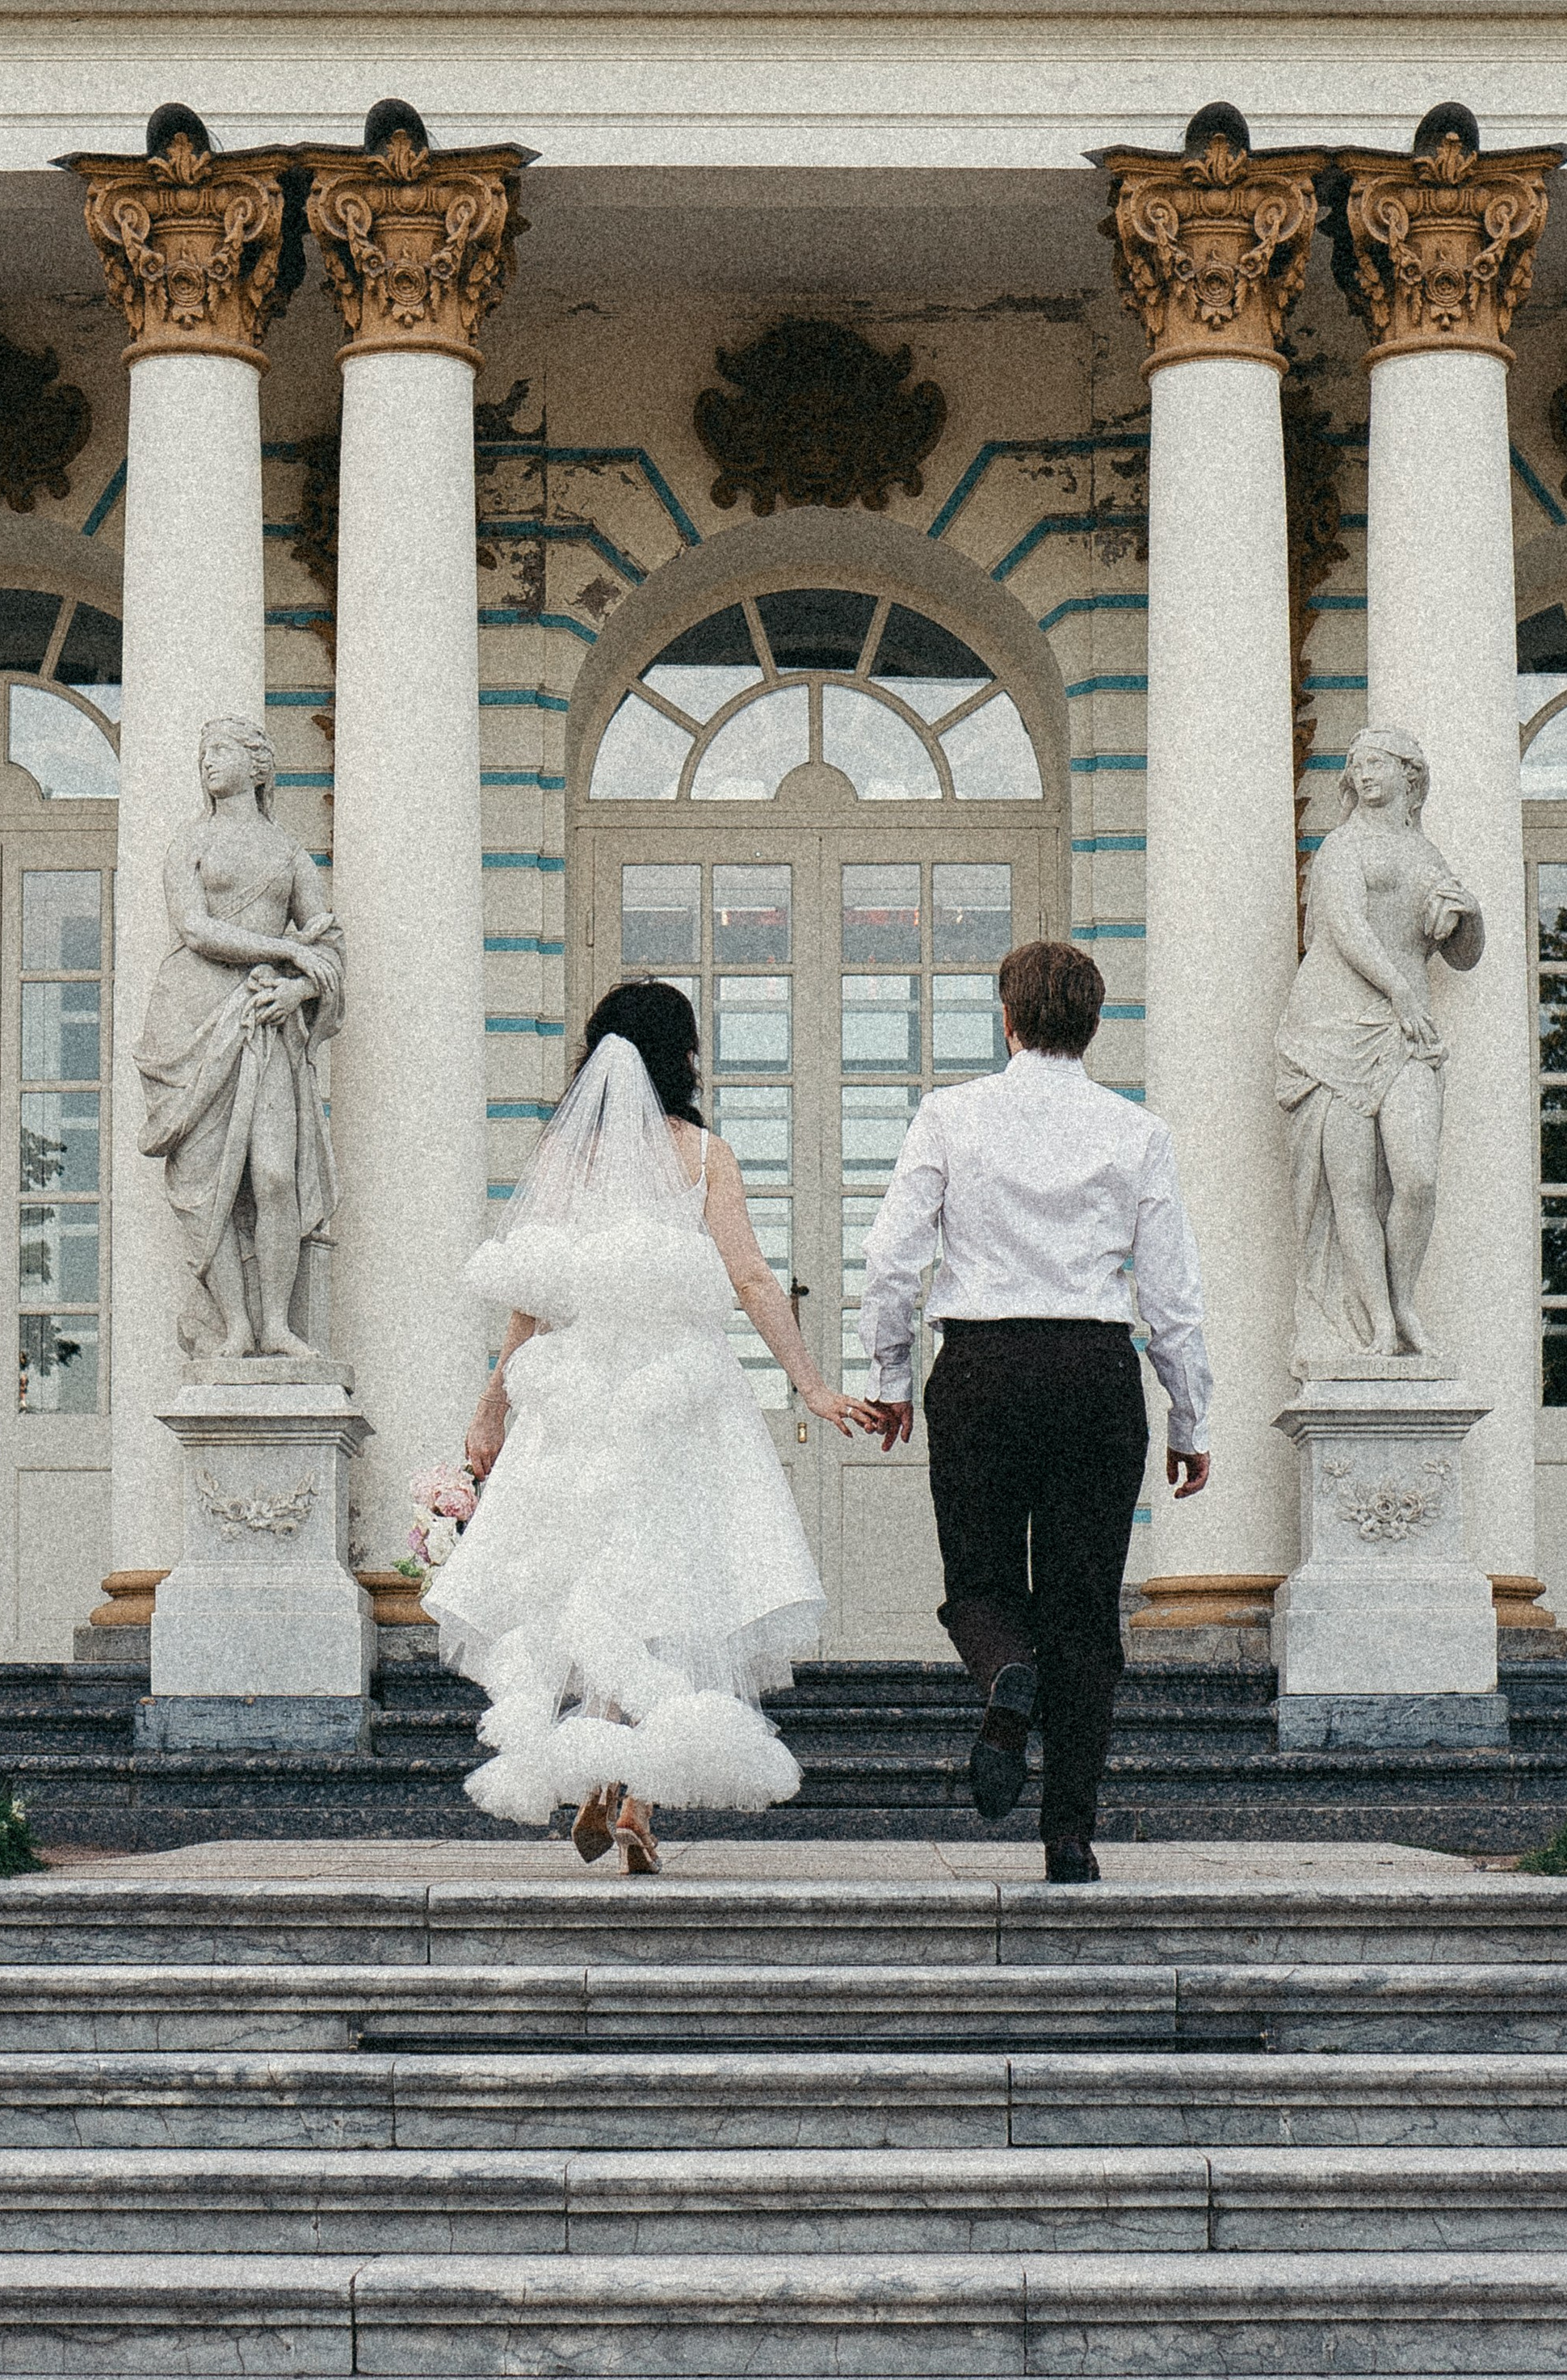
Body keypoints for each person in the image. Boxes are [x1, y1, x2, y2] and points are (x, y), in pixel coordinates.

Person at [440, 979, 863, 1873]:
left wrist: (493, 1407)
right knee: (679, 1586)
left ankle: (602, 1775)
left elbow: (535, 1299)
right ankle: (636, 1800)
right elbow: (751, 1279)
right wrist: (811, 1385)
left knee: (597, 1589)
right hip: (680, 1398)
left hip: (581, 1401)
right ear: (684, 1057)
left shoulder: (565, 1159)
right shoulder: (703, 1156)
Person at [858, 939, 1212, 1883]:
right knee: (1086, 1613)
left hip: (981, 1366)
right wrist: (1188, 1415)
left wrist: (891, 1378)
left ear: (1006, 1021)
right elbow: (1172, 1291)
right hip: (1095, 1369)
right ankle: (1069, 1835)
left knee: (977, 1581)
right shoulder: (1135, 1132)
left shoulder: (949, 1116)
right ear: (1093, 1027)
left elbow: (891, 1260)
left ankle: (1004, 1683)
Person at [133, 716, 344, 1361]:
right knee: (207, 1184)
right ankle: (236, 1327)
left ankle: (277, 1323)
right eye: (203, 753)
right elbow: (195, 929)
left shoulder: (287, 852)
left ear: (258, 766)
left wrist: (298, 991)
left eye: (220, 751)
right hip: (191, 1016)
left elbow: (330, 945)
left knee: (276, 1175)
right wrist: (286, 951)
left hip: (265, 1019)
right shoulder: (188, 843)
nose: (208, 762)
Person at [1275, 725, 1482, 1365]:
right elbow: (1344, 928)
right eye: (1356, 765)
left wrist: (1468, 915)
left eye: (1376, 764)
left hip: (1404, 1029)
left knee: (1417, 1177)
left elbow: (1464, 957)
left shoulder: (1427, 854)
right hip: (1333, 1026)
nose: (1363, 775)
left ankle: (1404, 1299)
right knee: (1352, 1191)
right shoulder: (1344, 846)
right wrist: (1401, 992)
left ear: (1409, 775)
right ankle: (1381, 1326)